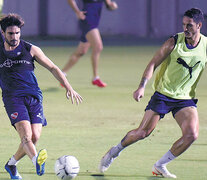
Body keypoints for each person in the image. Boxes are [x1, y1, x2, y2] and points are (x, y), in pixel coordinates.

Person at [99, 8, 206, 178]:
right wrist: (142, 86)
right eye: (184, 24)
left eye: (189, 25)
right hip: (163, 94)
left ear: (199, 25)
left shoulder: (205, 46)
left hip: (185, 98)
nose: (185, 28)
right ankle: (115, 151)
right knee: (143, 132)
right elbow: (152, 64)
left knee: (191, 135)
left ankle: (160, 165)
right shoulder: (174, 42)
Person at [0, 13, 82, 179]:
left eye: (17, 33)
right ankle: (37, 160)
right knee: (26, 136)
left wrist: (68, 86)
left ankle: (11, 164)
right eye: (10, 33)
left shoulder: (30, 49)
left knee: (35, 137)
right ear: (3, 33)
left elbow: (53, 67)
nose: (14, 37)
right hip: (13, 99)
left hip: (34, 97)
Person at [61, 0, 118, 88]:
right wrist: (77, 11)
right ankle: (95, 78)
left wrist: (112, 5)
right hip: (87, 19)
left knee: (81, 51)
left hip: (95, 19)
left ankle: (62, 74)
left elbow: (109, 4)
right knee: (98, 46)